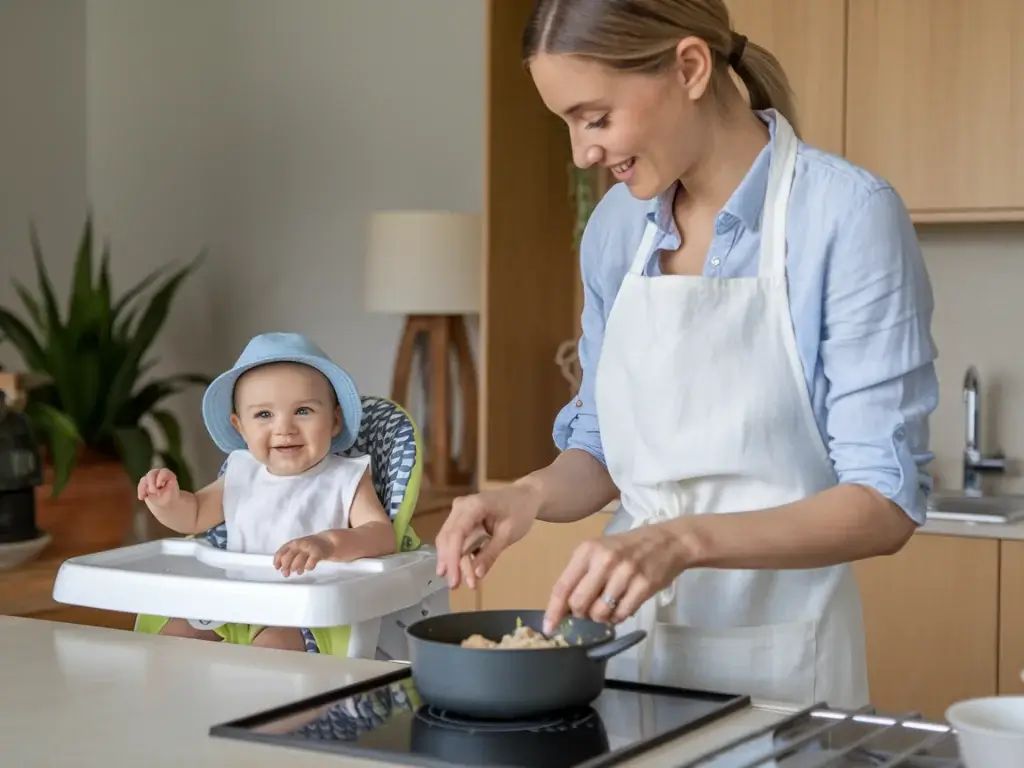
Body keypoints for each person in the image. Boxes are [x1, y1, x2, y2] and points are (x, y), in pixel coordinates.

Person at [435, 0, 937, 709]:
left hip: (783, 668)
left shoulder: (844, 217)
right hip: (623, 651)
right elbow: (605, 447)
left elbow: (884, 503)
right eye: (568, 124)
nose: (582, 153)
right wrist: (528, 494)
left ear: (691, 67)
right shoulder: (617, 227)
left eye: (595, 117)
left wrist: (680, 542)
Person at [138, 332, 397, 651]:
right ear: (240, 427)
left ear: (334, 420)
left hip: (302, 615)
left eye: (303, 410)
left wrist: (327, 543)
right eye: (264, 415)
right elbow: (192, 516)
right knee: (175, 638)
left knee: (271, 653)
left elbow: (382, 535)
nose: (284, 428)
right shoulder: (241, 472)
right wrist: (167, 502)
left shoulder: (346, 477)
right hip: (231, 604)